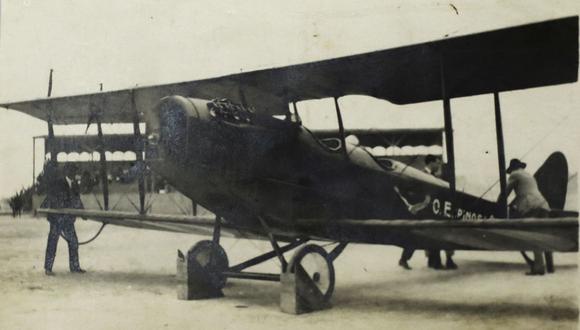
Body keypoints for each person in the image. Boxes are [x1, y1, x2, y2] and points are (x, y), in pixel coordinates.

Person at [503, 158, 552, 275]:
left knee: (533, 236)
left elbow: (506, 192)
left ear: (513, 168)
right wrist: (512, 203)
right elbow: (525, 193)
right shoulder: (529, 176)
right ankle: (550, 266)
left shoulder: (514, 174)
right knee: (544, 236)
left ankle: (539, 268)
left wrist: (498, 202)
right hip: (544, 205)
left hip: (531, 206)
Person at [42, 162, 85, 276]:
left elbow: (77, 200)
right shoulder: (58, 183)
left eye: (75, 171)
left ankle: (75, 267)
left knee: (74, 242)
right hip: (57, 219)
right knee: (53, 242)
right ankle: (48, 268)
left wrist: (83, 213)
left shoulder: (75, 185)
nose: (74, 173)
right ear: (67, 171)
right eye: (72, 171)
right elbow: (51, 197)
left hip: (68, 219)